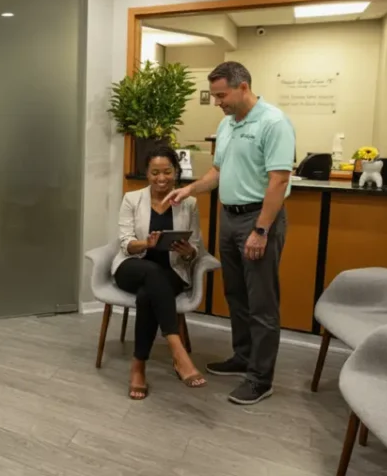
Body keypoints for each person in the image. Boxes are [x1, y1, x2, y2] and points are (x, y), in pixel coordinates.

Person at [166, 61, 295, 406]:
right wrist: (190, 189)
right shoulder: (226, 124)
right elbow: (218, 171)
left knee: (262, 302)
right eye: (215, 95)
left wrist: (261, 230)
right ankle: (243, 357)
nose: (217, 102)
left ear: (243, 87)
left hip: (259, 219)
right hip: (229, 217)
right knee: (236, 294)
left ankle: (260, 379)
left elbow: (279, 180)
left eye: (222, 95)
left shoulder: (273, 122)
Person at [112, 144, 207, 400]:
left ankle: (138, 367)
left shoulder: (189, 203)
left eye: (167, 172)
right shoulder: (132, 199)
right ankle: (177, 348)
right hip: (133, 266)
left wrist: (187, 251)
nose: (161, 178)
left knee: (148, 295)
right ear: (147, 173)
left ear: (176, 172)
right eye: (155, 173)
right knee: (151, 273)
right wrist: (146, 244)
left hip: (171, 272)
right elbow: (125, 243)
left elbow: (195, 248)